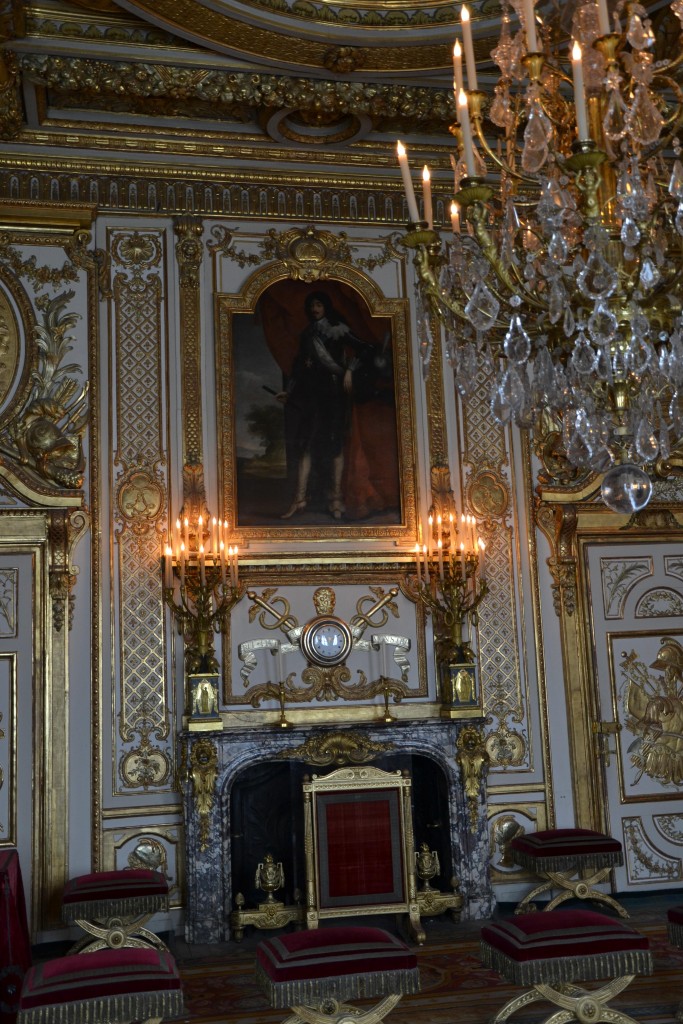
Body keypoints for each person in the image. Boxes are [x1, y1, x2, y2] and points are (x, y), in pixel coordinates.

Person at [278, 291, 376, 519]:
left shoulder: (337, 329)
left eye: (319, 305)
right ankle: (299, 499)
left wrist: (350, 370)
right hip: (312, 395)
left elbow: (366, 348)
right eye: (312, 305)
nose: (314, 309)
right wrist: (289, 391)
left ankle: (336, 500)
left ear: (326, 307)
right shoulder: (307, 335)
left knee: (335, 445)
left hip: (333, 394)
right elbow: (298, 367)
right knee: (305, 444)